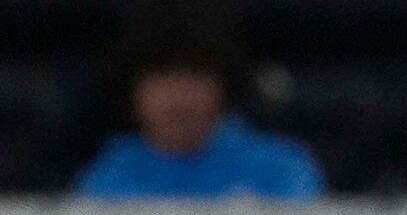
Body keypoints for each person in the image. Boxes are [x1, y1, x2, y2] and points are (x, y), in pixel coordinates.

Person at [75, 21, 322, 200]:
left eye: (194, 77)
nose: (179, 97)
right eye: (162, 79)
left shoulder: (282, 169)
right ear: (133, 93)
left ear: (224, 87)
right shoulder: (110, 175)